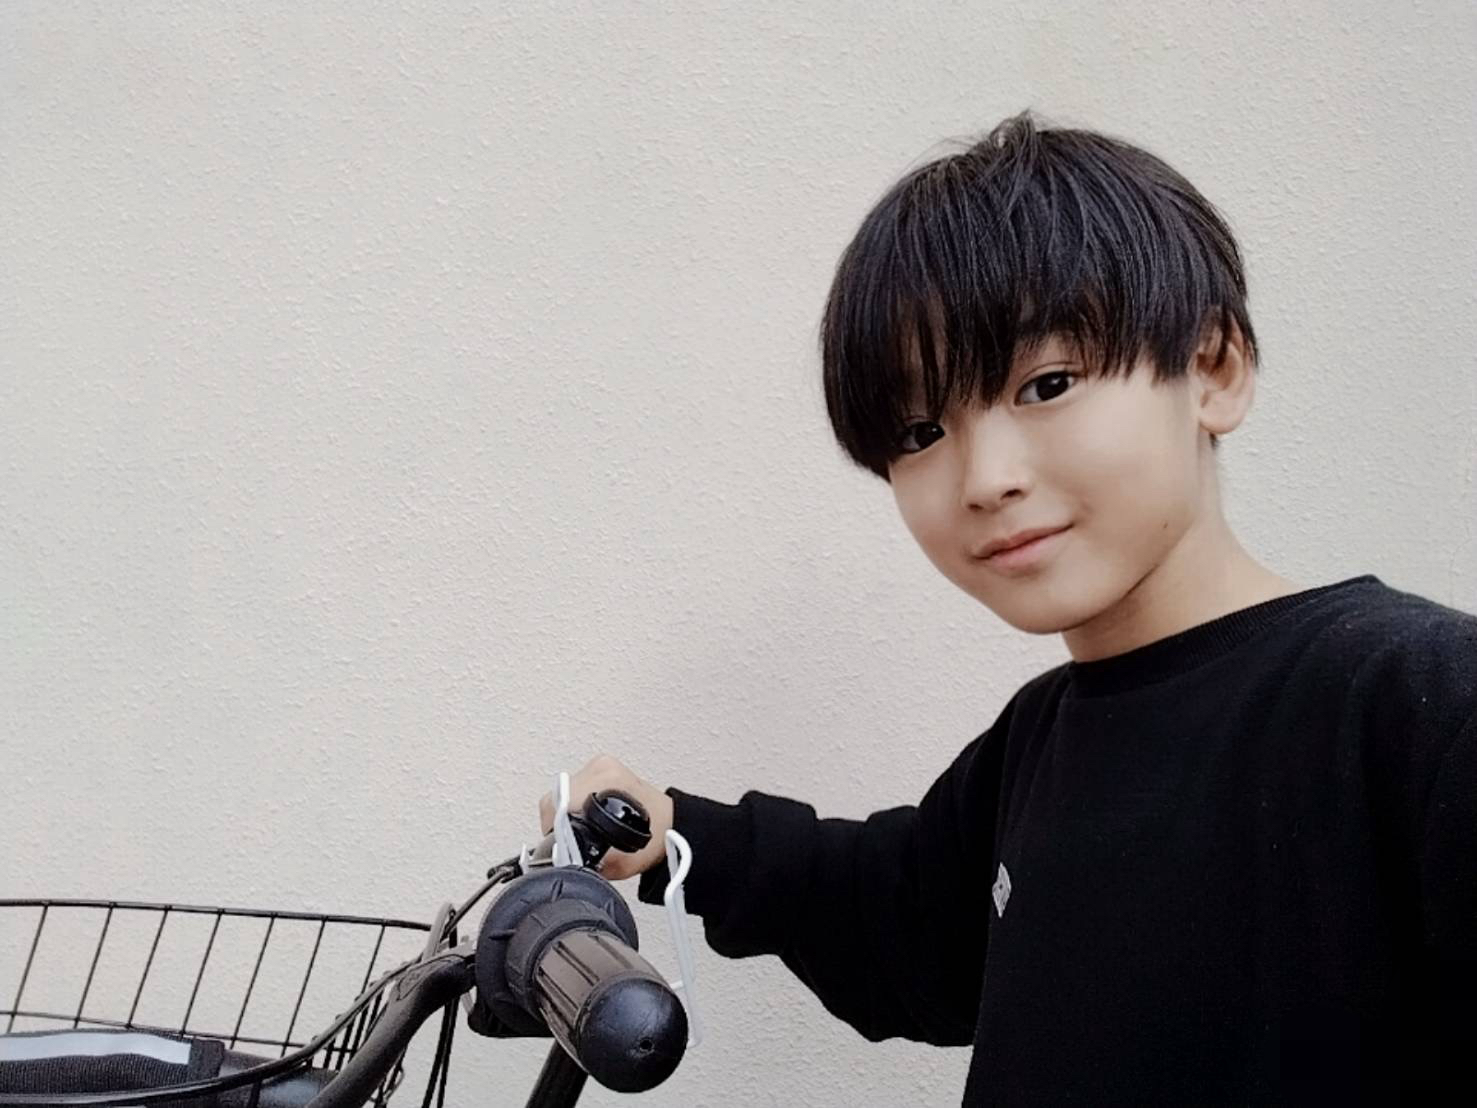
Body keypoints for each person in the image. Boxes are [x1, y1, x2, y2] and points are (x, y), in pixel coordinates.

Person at [537, 111, 1476, 1104]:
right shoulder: (1041, 737)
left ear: (1212, 369)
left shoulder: (1420, 708)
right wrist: (674, 834)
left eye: (1047, 384)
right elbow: (901, 912)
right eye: (920, 430)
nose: (984, 478)